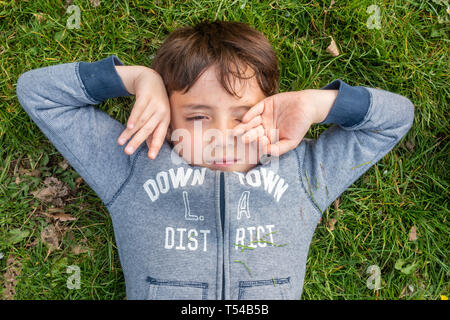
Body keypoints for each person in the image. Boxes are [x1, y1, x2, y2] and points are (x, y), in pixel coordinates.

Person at [16, 20, 414, 300]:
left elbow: (395, 119)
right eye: (197, 116)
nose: (223, 136)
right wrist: (139, 80)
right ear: (166, 115)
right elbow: (37, 92)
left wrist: (316, 104)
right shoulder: (134, 163)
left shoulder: (303, 172)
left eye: (244, 115)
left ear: (271, 108)